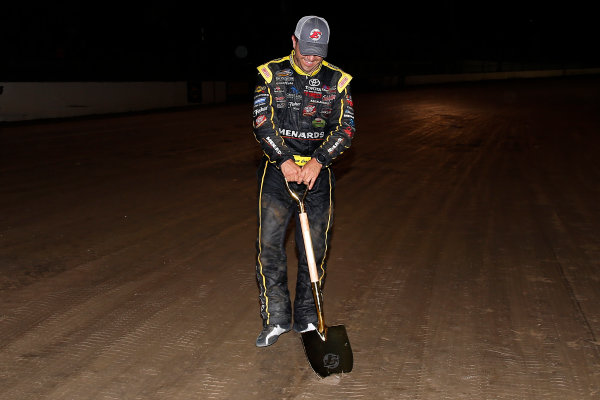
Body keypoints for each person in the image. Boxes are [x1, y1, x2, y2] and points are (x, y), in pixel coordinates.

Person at [252, 15, 356, 347]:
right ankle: (276, 320)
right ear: (294, 42)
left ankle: (309, 320)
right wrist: (283, 159)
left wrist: (318, 161)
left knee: (315, 249)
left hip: (317, 176)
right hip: (277, 173)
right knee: (270, 247)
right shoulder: (270, 74)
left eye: (318, 53)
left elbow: (347, 129)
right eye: (306, 51)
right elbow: (261, 122)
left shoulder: (338, 81)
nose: (311, 59)